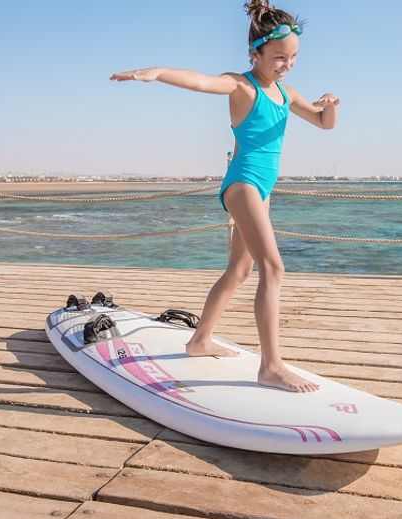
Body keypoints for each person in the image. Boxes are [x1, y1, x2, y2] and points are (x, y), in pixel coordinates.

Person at [110, 0, 340, 393]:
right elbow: (199, 81)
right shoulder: (240, 86)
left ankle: (200, 340)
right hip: (243, 183)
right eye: (279, 57)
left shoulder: (286, 93)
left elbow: (323, 123)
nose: (287, 64)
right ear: (256, 53)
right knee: (274, 269)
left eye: (293, 58)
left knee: (239, 270)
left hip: (262, 188)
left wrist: (331, 106)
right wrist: (157, 73)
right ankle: (271, 367)